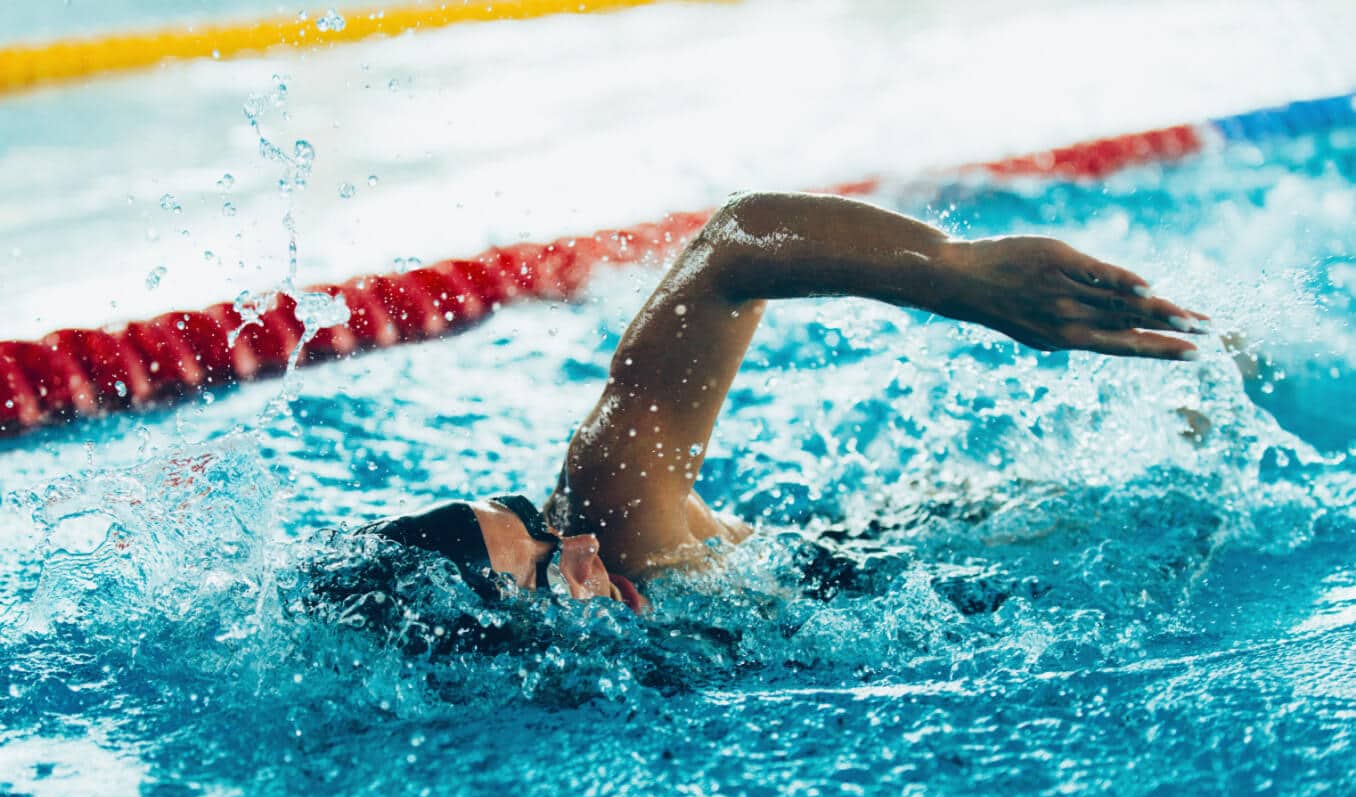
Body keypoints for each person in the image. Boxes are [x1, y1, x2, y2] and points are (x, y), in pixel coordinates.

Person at [352, 191, 1209, 615]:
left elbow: (735, 245)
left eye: (532, 520)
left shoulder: (613, 521)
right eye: (545, 574)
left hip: (886, 567)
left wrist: (957, 274)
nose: (576, 546)